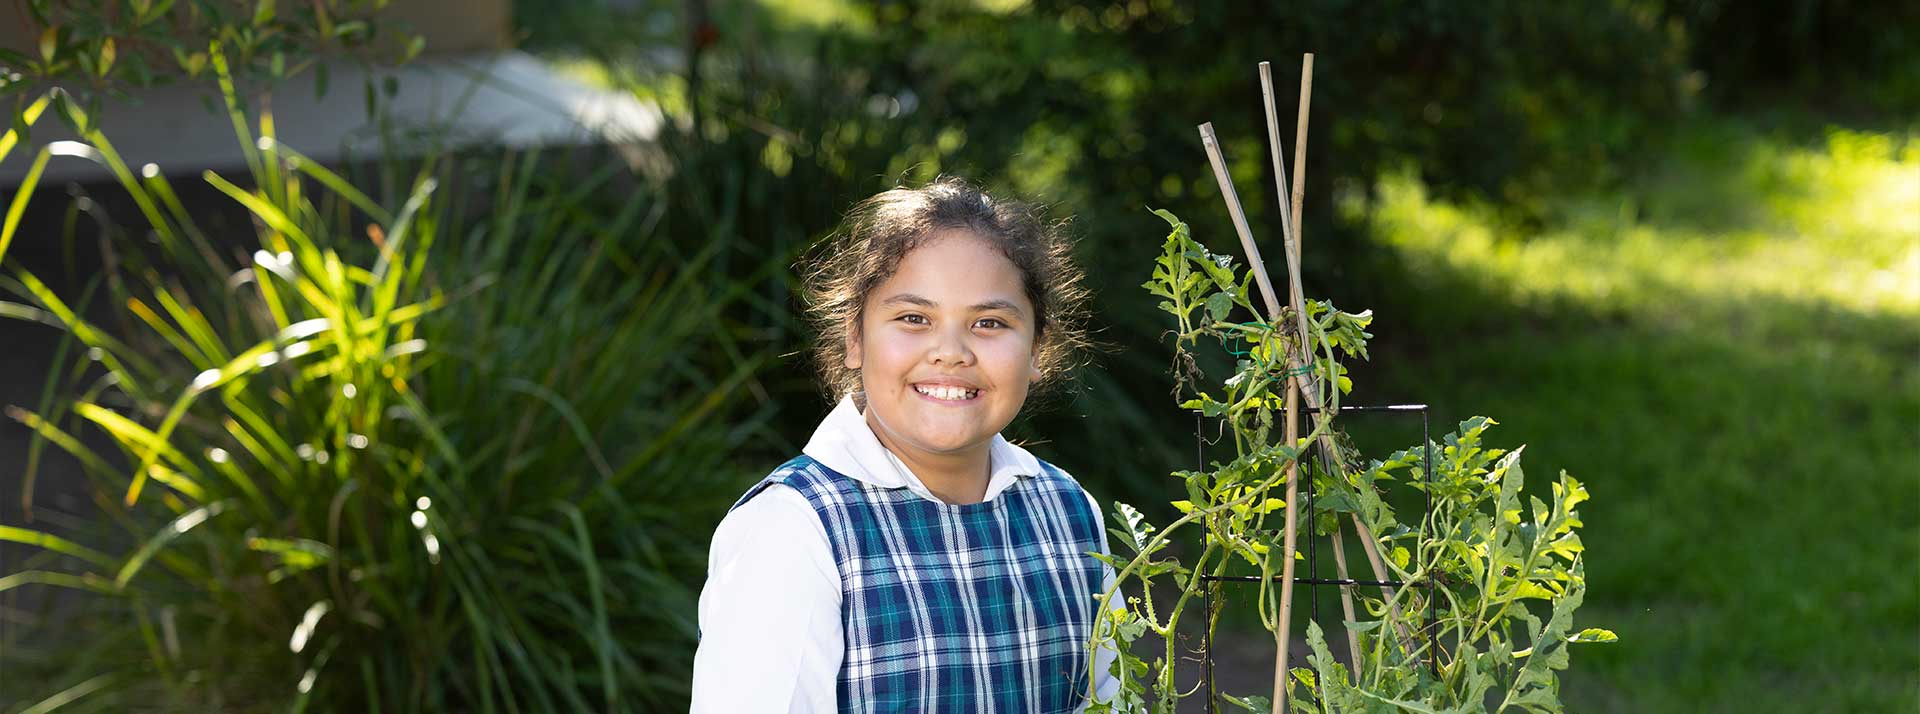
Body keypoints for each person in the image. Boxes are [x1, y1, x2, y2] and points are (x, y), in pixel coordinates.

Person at [690, 177, 1121, 712]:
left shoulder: (1069, 511)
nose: (950, 352)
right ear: (855, 337)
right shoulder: (794, 529)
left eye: (989, 322)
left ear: (1037, 348)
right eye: (913, 319)